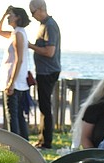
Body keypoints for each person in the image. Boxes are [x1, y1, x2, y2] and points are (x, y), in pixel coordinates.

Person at [28, 0, 61, 149]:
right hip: (44, 71)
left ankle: (46, 141)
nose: (32, 16)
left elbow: (49, 52)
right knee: (43, 105)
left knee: (45, 107)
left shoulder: (50, 26)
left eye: (32, 12)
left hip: (48, 71)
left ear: (41, 9)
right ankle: (42, 139)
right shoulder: (44, 25)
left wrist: (30, 46)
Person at [0, 6, 31, 140]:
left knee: (12, 115)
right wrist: (4, 14)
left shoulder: (18, 34)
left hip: (14, 81)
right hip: (16, 81)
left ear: (18, 17)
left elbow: (19, 59)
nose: (8, 18)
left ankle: (15, 144)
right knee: (18, 115)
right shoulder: (15, 33)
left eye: (10, 15)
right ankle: (23, 141)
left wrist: (11, 82)